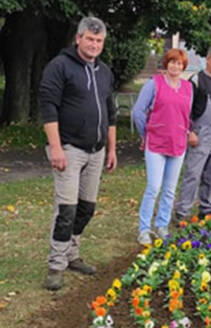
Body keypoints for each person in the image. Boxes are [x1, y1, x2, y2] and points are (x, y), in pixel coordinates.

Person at [39, 16, 117, 291]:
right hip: (69, 149)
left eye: (99, 41)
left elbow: (110, 113)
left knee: (86, 208)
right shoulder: (59, 67)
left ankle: (72, 254)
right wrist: (56, 147)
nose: (95, 44)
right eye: (90, 39)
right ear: (78, 38)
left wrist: (111, 148)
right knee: (66, 210)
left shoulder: (105, 72)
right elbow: (48, 107)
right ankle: (56, 265)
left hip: (97, 151)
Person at [132, 48, 195, 245]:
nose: (175, 66)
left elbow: (186, 116)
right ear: (166, 64)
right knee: (154, 187)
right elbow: (138, 112)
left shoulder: (188, 88)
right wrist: (146, 133)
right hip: (156, 144)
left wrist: (187, 132)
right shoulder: (154, 84)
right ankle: (144, 229)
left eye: (179, 63)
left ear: (183, 66)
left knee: (169, 189)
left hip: (178, 145)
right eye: (172, 62)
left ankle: (162, 225)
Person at [174, 46, 211, 222]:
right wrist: (189, 131)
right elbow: (186, 110)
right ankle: (182, 211)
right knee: (193, 173)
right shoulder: (196, 80)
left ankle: (206, 208)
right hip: (200, 133)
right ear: (207, 60)